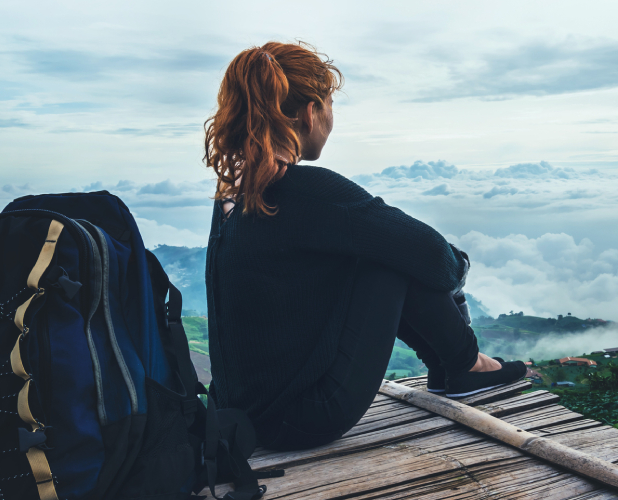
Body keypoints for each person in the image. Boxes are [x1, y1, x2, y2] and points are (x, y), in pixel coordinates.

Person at [202, 41, 528, 451]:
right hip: (301, 417)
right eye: (330, 106)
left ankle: (459, 368)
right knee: (390, 254)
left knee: (376, 245)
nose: (331, 118)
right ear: (310, 112)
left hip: (240, 415)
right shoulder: (308, 192)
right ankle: (465, 366)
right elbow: (429, 254)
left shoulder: (235, 196)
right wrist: (459, 269)